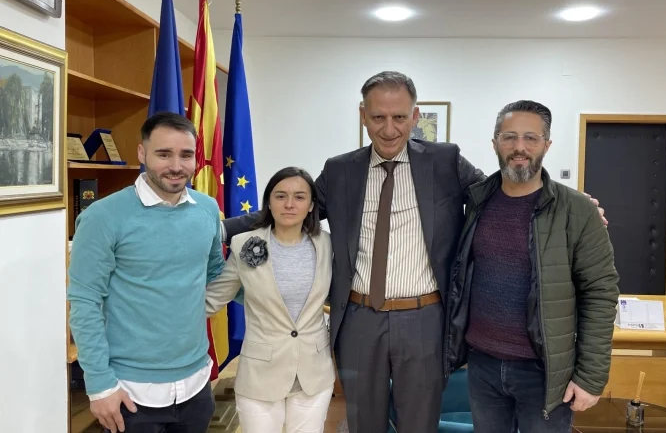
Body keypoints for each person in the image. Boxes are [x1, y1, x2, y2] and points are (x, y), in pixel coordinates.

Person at [221, 72, 607, 433]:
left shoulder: (444, 161)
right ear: (363, 116)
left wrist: (569, 203)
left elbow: (497, 192)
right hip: (358, 320)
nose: (389, 129)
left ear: (415, 116)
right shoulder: (340, 171)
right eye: (378, 117)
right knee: (363, 423)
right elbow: (291, 210)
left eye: (400, 117)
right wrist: (216, 226)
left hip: (425, 320)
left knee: (419, 423)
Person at [444, 100, 620, 433]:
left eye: (531, 138)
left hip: (545, 372)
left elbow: (600, 293)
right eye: (509, 137)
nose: (519, 147)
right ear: (495, 143)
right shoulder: (476, 202)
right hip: (482, 366)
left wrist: (591, 377)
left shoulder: (577, 211)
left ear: (547, 145)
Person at [67, 112, 224, 433]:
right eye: (164, 154)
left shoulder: (208, 208)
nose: (176, 166)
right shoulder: (102, 216)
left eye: (186, 155)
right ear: (142, 153)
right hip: (131, 392)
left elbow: (217, 276)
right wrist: (99, 385)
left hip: (196, 384)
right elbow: (84, 302)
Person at [205, 167, 335, 432]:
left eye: (299, 197)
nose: (289, 204)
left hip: (314, 375)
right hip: (260, 376)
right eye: (280, 196)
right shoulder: (244, 244)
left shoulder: (328, 245)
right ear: (269, 202)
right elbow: (213, 299)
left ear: (312, 205)